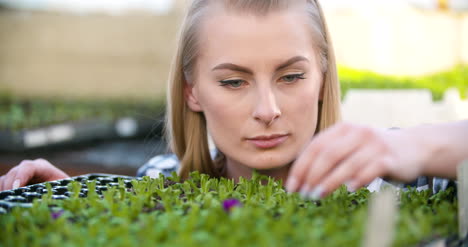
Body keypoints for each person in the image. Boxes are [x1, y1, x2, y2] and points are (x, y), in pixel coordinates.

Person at [0, 0, 467, 200]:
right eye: (233, 82)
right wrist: (79, 207)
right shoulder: (162, 182)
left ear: (323, 79)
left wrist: (417, 146)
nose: (268, 110)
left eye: (291, 76)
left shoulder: (393, 182)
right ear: (192, 92)